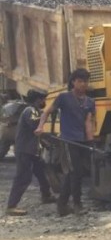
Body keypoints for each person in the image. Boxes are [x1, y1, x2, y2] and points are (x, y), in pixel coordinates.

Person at [35, 68, 96, 217]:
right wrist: (40, 126)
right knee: (76, 172)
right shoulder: (64, 97)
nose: (83, 84)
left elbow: (88, 122)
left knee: (72, 173)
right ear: (73, 82)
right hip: (68, 140)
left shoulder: (90, 101)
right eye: (80, 81)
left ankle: (62, 205)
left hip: (81, 141)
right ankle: (77, 204)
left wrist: (91, 142)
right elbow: (46, 111)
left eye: (85, 82)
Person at [5, 90, 55, 216]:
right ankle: (11, 206)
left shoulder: (35, 111)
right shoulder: (30, 111)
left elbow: (34, 133)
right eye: (43, 99)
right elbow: (35, 126)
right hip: (25, 151)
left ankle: (46, 195)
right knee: (23, 177)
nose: (44, 102)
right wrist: (46, 115)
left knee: (41, 173)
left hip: (32, 151)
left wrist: (44, 143)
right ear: (38, 100)